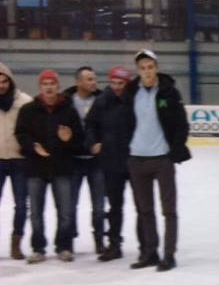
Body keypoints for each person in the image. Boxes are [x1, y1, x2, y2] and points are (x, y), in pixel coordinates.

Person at [125, 49, 190, 272]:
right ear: (138, 70)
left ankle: (169, 255)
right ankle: (150, 253)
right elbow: (124, 121)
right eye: (143, 68)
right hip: (136, 159)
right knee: (145, 210)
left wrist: (174, 150)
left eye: (150, 67)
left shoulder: (169, 92)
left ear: (157, 68)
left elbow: (181, 124)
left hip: (162, 159)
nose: (147, 71)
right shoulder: (131, 92)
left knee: (168, 211)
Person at [14, 70, 83, 263]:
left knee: (66, 211)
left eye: (52, 83)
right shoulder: (28, 109)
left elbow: (79, 138)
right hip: (36, 168)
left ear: (58, 86)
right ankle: (38, 248)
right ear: (40, 87)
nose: (49, 87)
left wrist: (69, 139)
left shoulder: (68, 110)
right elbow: (20, 134)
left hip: (62, 167)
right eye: (45, 84)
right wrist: (33, 146)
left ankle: (64, 246)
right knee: (36, 213)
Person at [85, 66, 135, 261]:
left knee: (142, 206)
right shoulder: (103, 100)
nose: (116, 87)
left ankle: (147, 246)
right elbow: (90, 124)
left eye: (120, 83)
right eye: (113, 83)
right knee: (114, 206)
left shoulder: (136, 100)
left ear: (127, 83)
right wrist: (93, 142)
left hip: (135, 160)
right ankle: (114, 245)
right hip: (111, 162)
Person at [64, 66, 105, 254]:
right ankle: (69, 241)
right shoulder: (66, 101)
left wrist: (102, 143)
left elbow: (109, 126)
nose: (93, 82)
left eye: (94, 78)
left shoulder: (102, 100)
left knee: (99, 206)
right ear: (78, 82)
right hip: (74, 161)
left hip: (97, 162)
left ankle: (99, 239)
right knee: (70, 205)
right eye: (89, 79)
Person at [0, 62, 32, 260]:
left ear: (10, 81)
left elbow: (33, 128)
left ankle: (16, 242)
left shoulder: (24, 101)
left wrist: (28, 147)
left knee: (21, 205)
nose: (1, 85)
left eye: (4, 81)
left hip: (19, 160)